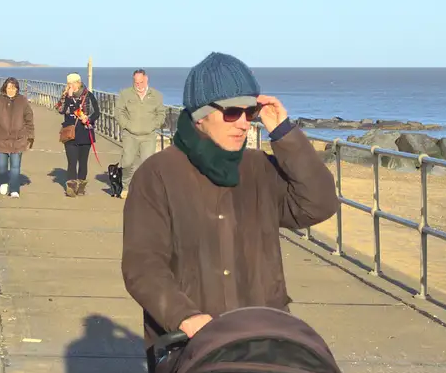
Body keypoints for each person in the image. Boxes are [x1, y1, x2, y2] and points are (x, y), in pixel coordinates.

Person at [122, 51, 338, 344]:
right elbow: (143, 264)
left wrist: (284, 133)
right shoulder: (158, 174)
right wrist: (184, 316)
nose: (243, 123)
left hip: (260, 345)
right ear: (199, 116)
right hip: (190, 351)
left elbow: (318, 204)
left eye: (249, 113)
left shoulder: (260, 168)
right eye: (231, 112)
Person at [115, 69, 167, 198]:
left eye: (141, 82)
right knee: (127, 162)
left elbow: (161, 113)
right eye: (136, 82)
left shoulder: (157, 95)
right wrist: (126, 125)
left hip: (148, 135)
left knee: (147, 163)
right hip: (130, 134)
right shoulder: (125, 94)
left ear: (146, 79)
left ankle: (144, 190)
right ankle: (126, 186)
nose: (138, 84)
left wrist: (154, 125)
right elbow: (119, 112)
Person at [0, 76, 34, 197]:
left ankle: (15, 189)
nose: (11, 90)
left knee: (16, 167)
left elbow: (29, 120)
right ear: (4, 88)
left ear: (17, 89)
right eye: (9, 87)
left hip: (18, 139)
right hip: (0, 139)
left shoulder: (23, 101)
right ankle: (4, 181)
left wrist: (30, 136)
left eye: (14, 87)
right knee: (2, 166)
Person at [56, 72, 99, 196]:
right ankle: (71, 186)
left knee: (83, 161)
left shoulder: (88, 96)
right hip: (70, 132)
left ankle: (81, 185)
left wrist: (88, 119)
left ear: (78, 83)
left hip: (85, 132)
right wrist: (68, 98)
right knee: (72, 161)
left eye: (73, 83)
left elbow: (96, 112)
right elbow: (60, 110)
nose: (71, 86)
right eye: (69, 83)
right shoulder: (65, 97)